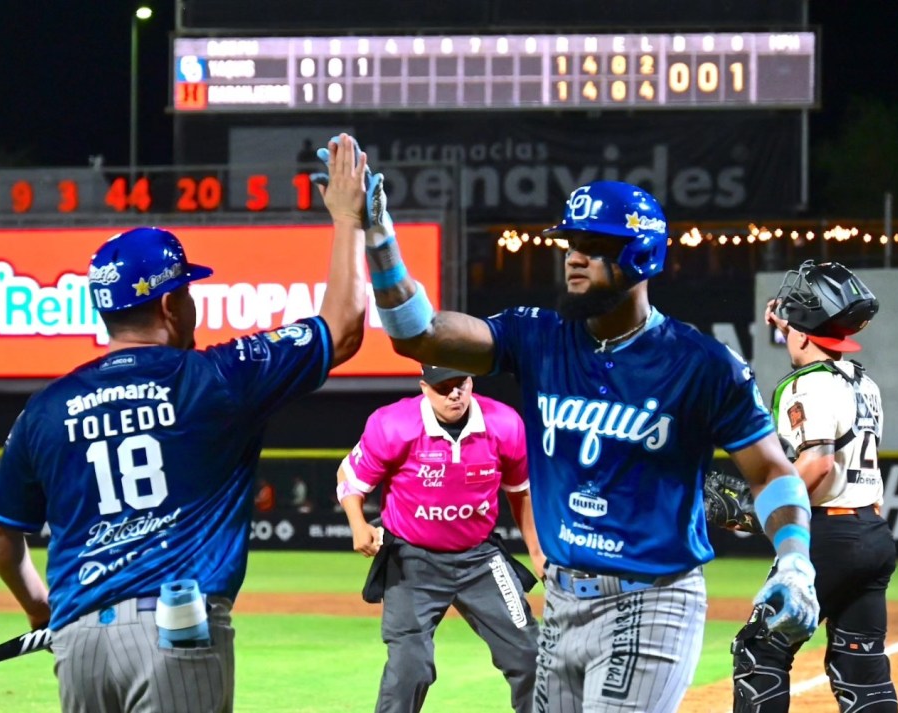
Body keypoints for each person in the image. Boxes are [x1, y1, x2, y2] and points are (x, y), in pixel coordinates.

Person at [338, 168, 822, 712]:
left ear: (642, 255)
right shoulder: (538, 338)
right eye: (571, 244)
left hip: (651, 599)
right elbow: (419, 335)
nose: (573, 257)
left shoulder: (703, 365)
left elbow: (771, 471)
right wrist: (379, 236)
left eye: (594, 246)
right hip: (564, 602)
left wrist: (794, 559)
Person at [0, 133, 371, 713]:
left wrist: (42, 612)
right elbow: (345, 327)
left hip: (78, 643)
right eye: (187, 290)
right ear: (168, 305)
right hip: (175, 630)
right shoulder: (216, 377)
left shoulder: (47, 407)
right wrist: (348, 219)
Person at [731, 260, 898, 712]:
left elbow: (818, 464)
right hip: (871, 530)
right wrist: (787, 321)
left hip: (827, 536)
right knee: (862, 666)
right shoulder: (862, 383)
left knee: (759, 651)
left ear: (803, 335)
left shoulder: (806, 385)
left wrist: (763, 510)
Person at [336, 364, 544, 713]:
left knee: (530, 655)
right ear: (424, 387)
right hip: (411, 560)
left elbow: (520, 492)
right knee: (410, 668)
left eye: (461, 384)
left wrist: (537, 553)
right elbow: (349, 477)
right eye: (443, 387)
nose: (454, 394)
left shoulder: (504, 424)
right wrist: (358, 524)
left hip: (480, 559)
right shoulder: (393, 424)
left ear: (471, 381)